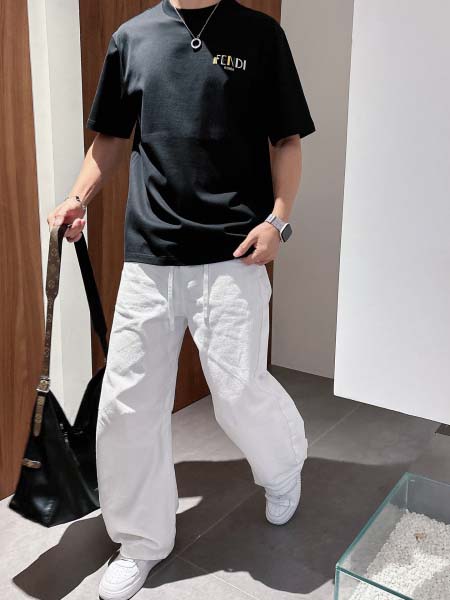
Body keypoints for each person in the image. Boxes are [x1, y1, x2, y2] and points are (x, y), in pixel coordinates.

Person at [47, 0, 316, 598]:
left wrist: (279, 221)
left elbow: (286, 138)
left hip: (234, 254)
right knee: (127, 405)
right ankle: (141, 539)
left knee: (239, 392)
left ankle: (283, 468)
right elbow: (110, 138)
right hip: (149, 257)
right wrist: (77, 198)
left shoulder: (260, 35)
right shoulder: (133, 38)